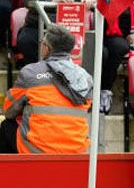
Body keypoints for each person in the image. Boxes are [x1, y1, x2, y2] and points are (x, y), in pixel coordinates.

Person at [0, 24, 93, 154]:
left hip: (37, 152)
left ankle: (12, 174)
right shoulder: (86, 78)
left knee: (6, 126)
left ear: (46, 48)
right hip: (77, 151)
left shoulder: (30, 73)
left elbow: (9, 111)